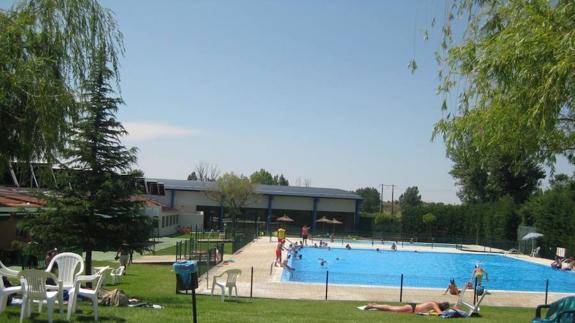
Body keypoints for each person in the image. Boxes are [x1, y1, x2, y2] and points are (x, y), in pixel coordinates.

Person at [364, 301, 450, 314]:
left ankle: (375, 305)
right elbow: (440, 313)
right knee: (391, 309)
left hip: (412, 307)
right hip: (412, 309)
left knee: (392, 308)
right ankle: (372, 306)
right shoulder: (434, 305)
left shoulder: (434, 302)